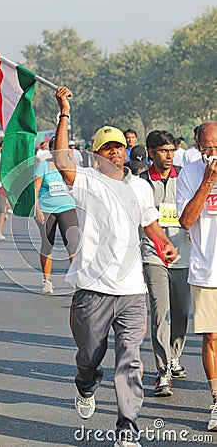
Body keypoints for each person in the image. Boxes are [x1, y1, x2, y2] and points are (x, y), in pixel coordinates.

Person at [54, 87, 177, 447]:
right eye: (108, 147)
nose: (116, 151)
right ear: (97, 154)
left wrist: (164, 244)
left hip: (131, 291)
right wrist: (64, 112)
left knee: (131, 360)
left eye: (120, 146)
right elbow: (62, 160)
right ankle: (86, 384)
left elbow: (150, 224)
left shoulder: (139, 187)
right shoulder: (88, 182)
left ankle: (127, 427)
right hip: (93, 288)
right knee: (89, 358)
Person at [140, 130, 191, 397]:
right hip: (154, 255)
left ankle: (174, 356)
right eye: (163, 150)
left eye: (171, 150)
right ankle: (163, 372)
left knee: (181, 314)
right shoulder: (140, 182)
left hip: (184, 255)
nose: (168, 155)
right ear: (151, 152)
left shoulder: (185, 177)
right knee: (160, 314)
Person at [176, 121, 217, 432]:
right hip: (206, 271)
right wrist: (206, 183)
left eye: (216, 148)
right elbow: (187, 221)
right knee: (213, 338)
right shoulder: (190, 174)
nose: (212, 154)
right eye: (206, 149)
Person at [34, 136, 78, 294]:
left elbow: (78, 184)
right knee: (47, 244)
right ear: (51, 150)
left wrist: (71, 158)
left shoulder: (70, 165)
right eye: (56, 148)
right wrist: (37, 208)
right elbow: (36, 188)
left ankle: (76, 282)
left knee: (72, 244)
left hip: (68, 207)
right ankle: (47, 281)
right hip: (47, 209)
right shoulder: (43, 166)